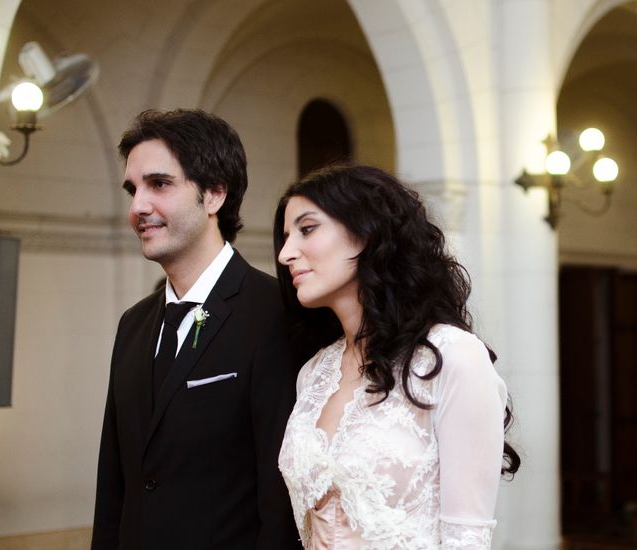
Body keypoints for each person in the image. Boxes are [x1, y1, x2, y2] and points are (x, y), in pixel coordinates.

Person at [273, 164, 519, 549]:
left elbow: (465, 539)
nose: (286, 253)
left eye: (307, 229)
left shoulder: (451, 358)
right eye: (286, 237)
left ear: (366, 233)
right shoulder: (314, 373)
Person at [91, 109, 299, 549]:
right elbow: (115, 484)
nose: (137, 207)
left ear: (214, 195)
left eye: (159, 184)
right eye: (133, 189)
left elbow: (280, 502)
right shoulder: (133, 324)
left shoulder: (276, 315)